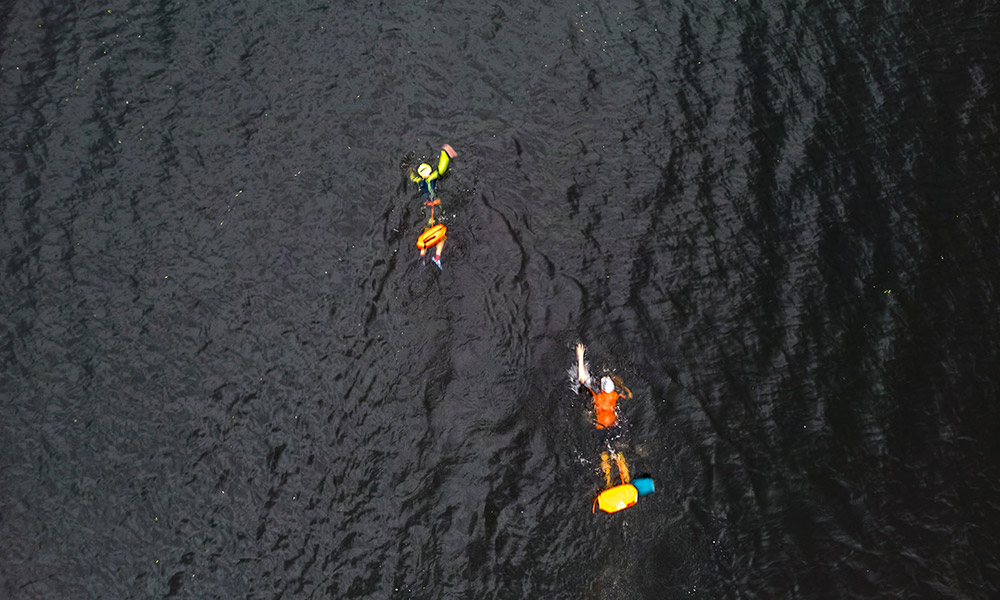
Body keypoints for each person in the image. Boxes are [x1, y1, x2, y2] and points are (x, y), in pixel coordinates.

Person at [576, 343, 633, 487]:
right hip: (615, 426)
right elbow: (628, 395)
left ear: (602, 388)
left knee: (604, 454)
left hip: (601, 428)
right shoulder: (615, 395)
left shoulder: (598, 396)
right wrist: (624, 387)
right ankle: (625, 479)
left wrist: (580, 358)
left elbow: (582, 378)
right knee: (618, 452)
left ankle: (608, 482)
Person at [409, 144, 457, 269]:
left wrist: (408, 169)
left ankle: (422, 255)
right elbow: (441, 170)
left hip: (426, 207)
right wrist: (445, 154)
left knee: (427, 229)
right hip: (433, 208)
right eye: (425, 171)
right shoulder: (431, 179)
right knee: (441, 231)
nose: (428, 172)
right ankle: (437, 256)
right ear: (425, 173)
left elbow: (413, 177)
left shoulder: (419, 182)